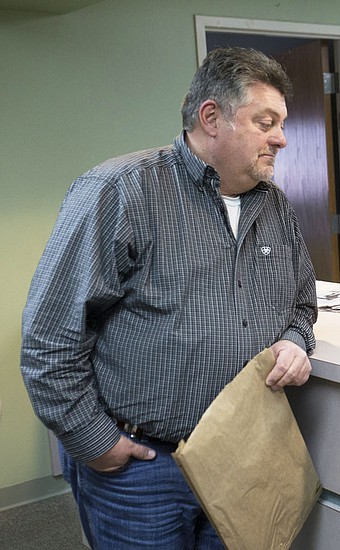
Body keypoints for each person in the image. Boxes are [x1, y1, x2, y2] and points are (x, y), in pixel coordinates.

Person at [20, 47, 317, 548]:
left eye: (282, 123)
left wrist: (295, 339)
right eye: (266, 122)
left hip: (242, 459)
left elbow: (302, 304)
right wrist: (96, 443)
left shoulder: (274, 205)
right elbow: (50, 337)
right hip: (141, 470)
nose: (282, 139)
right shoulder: (120, 190)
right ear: (211, 118)